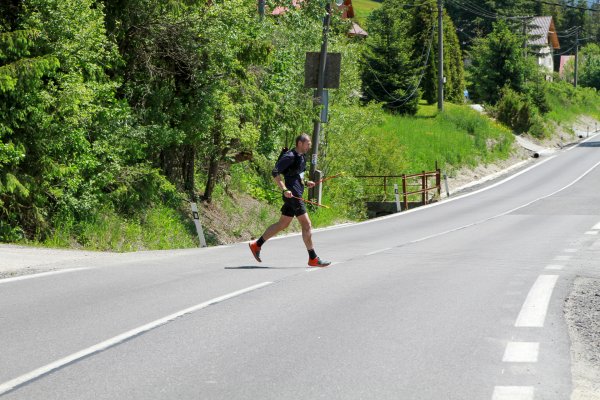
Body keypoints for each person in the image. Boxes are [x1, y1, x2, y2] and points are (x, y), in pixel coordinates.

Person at [249, 133, 331, 267]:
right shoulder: (290, 156)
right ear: (300, 143)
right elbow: (275, 172)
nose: (310, 145)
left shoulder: (302, 157)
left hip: (295, 193)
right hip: (292, 195)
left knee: (283, 224)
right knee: (307, 225)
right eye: (308, 143)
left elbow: (296, 175)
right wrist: (284, 189)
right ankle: (313, 258)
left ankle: (256, 245)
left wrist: (305, 182)